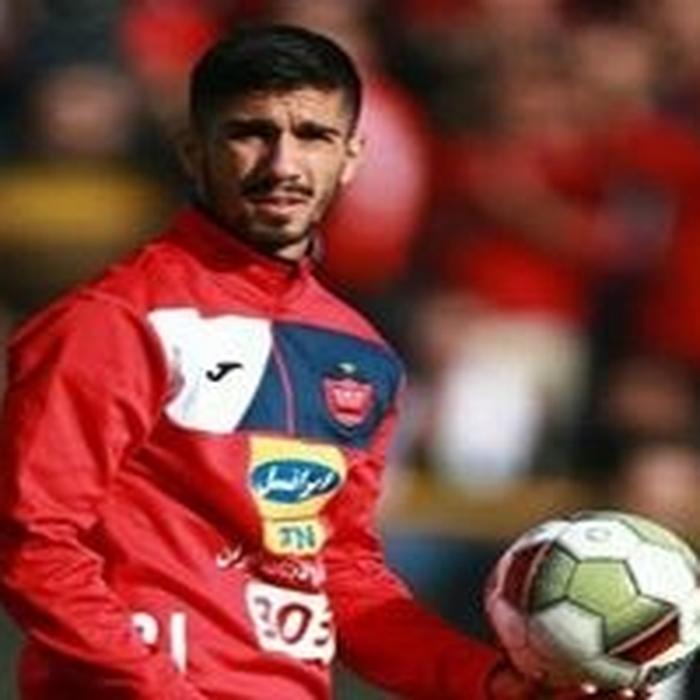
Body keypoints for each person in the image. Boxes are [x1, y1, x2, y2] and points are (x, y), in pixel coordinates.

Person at [0, 24, 647, 700]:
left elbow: (340, 574)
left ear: (352, 155)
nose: (283, 164)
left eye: (313, 135)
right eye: (251, 133)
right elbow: (34, 544)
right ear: (194, 151)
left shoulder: (360, 353)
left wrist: (489, 681)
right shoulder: (111, 323)